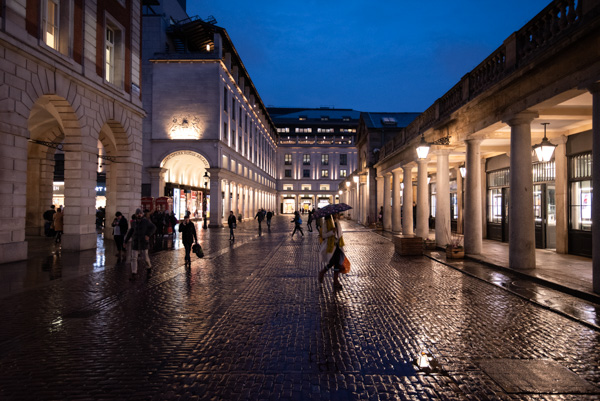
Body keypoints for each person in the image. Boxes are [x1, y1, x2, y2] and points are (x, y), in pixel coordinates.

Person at [124, 208, 156, 280]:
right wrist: (125, 241)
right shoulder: (134, 222)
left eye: (140, 213)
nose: (139, 215)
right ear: (136, 214)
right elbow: (131, 231)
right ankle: (134, 273)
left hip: (143, 242)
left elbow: (153, 227)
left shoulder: (146, 221)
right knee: (133, 258)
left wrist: (148, 235)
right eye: (138, 214)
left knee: (145, 258)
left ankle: (149, 269)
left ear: (142, 214)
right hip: (135, 242)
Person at [318, 213, 344, 289]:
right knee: (333, 262)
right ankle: (325, 274)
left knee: (336, 263)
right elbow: (323, 235)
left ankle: (334, 280)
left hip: (338, 245)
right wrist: (332, 232)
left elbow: (340, 233)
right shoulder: (326, 223)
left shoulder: (337, 222)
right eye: (334, 214)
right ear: (331, 214)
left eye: (336, 214)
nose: (336, 215)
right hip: (331, 246)